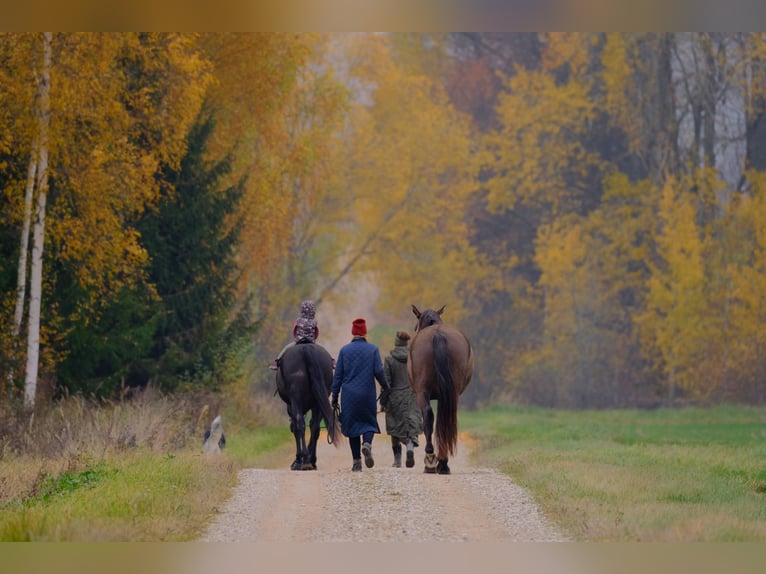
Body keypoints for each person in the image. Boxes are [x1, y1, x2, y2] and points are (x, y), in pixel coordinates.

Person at [331, 318, 390, 472]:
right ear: (365, 333)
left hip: (349, 396)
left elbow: (337, 377)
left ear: (353, 332)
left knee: (352, 427)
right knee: (369, 422)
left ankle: (357, 462)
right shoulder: (373, 349)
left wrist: (334, 397)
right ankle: (367, 444)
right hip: (367, 394)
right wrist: (386, 387)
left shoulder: (344, 351)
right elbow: (379, 371)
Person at [382, 331, 422, 468]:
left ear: (396, 342)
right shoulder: (414, 359)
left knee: (394, 428)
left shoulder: (389, 359)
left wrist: (383, 401)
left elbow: (386, 383)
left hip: (395, 397)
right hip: (412, 396)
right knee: (411, 426)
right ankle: (410, 447)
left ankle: (397, 460)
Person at [270, 300, 320, 370]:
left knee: (286, 347)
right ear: (313, 311)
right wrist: (313, 339)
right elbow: (317, 333)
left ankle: (276, 362)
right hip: (311, 341)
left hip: (299, 340)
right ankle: (332, 361)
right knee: (322, 348)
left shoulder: (298, 320)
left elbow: (294, 330)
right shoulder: (314, 322)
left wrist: (297, 338)